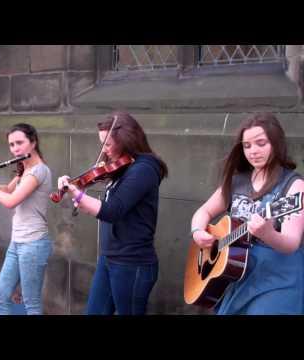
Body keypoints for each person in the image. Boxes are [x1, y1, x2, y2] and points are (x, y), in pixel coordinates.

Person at [190, 112, 304, 314]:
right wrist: (197, 231)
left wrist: (268, 234)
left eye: (261, 143)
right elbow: (205, 210)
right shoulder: (237, 181)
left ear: (276, 143)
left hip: (276, 276)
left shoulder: (294, 186)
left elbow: (291, 243)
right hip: (237, 271)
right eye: (247, 145)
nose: (253, 151)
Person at [57, 111, 168, 315]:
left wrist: (79, 195)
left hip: (132, 264)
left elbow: (112, 211)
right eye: (102, 145)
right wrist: (74, 189)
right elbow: (106, 208)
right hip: (109, 258)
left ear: (127, 140)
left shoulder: (143, 169)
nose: (105, 151)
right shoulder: (124, 168)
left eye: (107, 144)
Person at [0, 123, 52, 315]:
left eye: (19, 143)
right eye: (12, 144)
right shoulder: (24, 169)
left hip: (33, 244)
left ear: (33, 142)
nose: (15, 149)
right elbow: (7, 190)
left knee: (31, 302)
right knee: (1, 293)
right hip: (18, 242)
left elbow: (11, 201)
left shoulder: (39, 171)